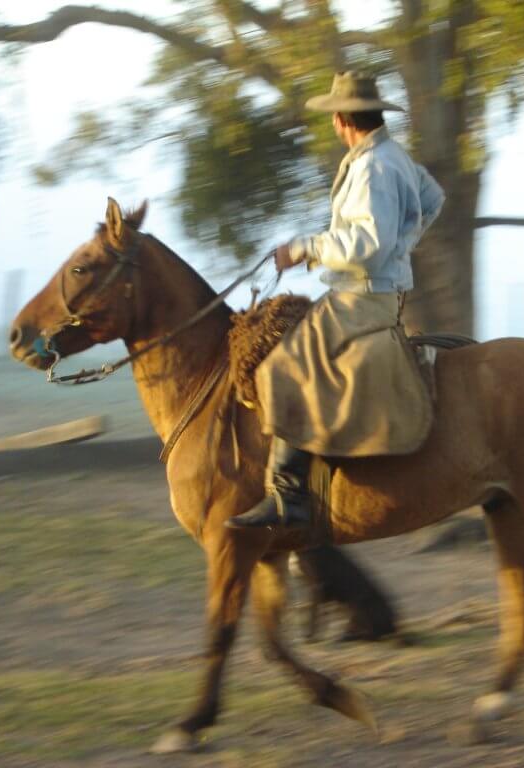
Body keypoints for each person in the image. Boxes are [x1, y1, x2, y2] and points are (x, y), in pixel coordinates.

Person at [227, 71, 445, 530]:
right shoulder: (389, 156)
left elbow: (366, 244)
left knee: (280, 367)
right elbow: (433, 198)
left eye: (333, 117)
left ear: (343, 118)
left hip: (362, 297)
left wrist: (305, 248)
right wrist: (405, 240)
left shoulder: (373, 168)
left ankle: (288, 494)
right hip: (369, 291)